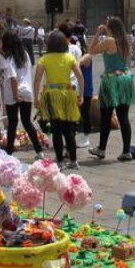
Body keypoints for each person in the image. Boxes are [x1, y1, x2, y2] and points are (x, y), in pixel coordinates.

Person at [87, 18, 135, 161]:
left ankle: (101, 149)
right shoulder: (125, 42)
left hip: (111, 80)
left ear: (110, 28)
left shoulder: (109, 41)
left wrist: (97, 33)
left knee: (106, 116)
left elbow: (91, 51)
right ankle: (126, 151)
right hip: (125, 79)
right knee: (123, 117)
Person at [34, 30, 84, 168]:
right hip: (68, 95)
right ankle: (73, 160)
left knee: (56, 130)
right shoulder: (69, 57)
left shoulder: (44, 59)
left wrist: (36, 98)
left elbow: (37, 80)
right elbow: (80, 77)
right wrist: (81, 95)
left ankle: (60, 161)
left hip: (51, 95)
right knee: (69, 130)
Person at [0, 31, 44, 160]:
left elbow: (13, 78)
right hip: (27, 91)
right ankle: (39, 151)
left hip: (13, 93)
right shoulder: (25, 55)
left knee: (12, 123)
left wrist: (15, 95)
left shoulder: (9, 58)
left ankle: (9, 153)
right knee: (27, 122)